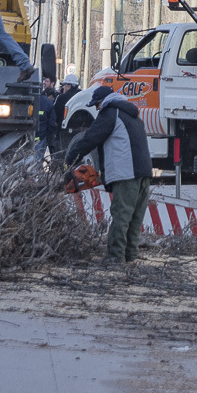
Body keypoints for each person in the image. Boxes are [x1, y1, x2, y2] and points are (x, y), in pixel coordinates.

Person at [66, 84, 152, 262]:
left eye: (96, 105)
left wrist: (71, 158)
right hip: (144, 171)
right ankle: (129, 256)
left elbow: (91, 138)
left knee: (121, 215)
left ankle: (115, 257)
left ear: (102, 102)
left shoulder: (110, 112)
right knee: (135, 217)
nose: (97, 109)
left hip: (126, 172)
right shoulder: (131, 113)